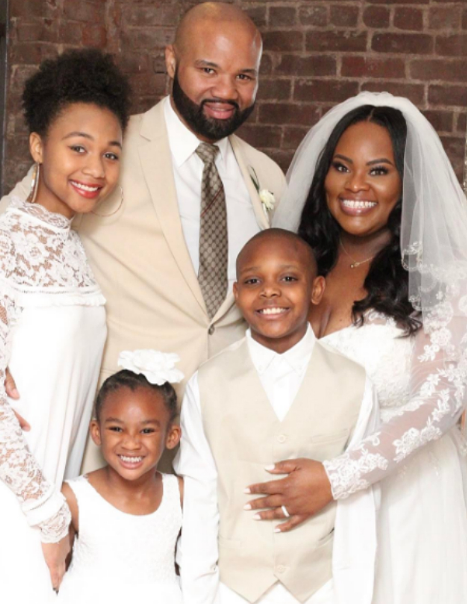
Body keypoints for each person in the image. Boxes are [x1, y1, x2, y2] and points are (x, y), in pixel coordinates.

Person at [2, 2, 286, 472]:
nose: (225, 91)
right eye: (208, 69)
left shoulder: (267, 176)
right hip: (119, 443)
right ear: (172, 61)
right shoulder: (111, 147)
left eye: (244, 76)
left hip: (222, 444)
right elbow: (19, 216)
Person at [255, 92, 467, 603]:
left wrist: (337, 478)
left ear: (404, 184)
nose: (355, 186)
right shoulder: (299, 267)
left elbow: (441, 405)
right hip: (306, 502)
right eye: (342, 167)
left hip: (403, 499)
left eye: (378, 171)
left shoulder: (439, 281)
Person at [175, 228, 381, 604]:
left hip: (322, 587)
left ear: (317, 289)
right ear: (237, 294)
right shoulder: (206, 384)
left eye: (288, 278)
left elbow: (359, 507)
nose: (270, 291)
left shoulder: (355, 384)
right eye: (254, 280)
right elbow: (200, 501)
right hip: (231, 588)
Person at [0, 49, 130, 602]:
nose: (95, 169)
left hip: (57, 488)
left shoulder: (73, 244)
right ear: (37, 147)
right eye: (78, 148)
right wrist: (46, 517)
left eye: (110, 154)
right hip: (18, 497)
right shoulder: (6, 240)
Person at [57, 350, 183, 603]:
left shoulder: (179, 494)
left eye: (146, 430)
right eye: (116, 428)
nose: (131, 443)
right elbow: (55, 569)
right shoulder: (73, 497)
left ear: (171, 436)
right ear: (97, 431)